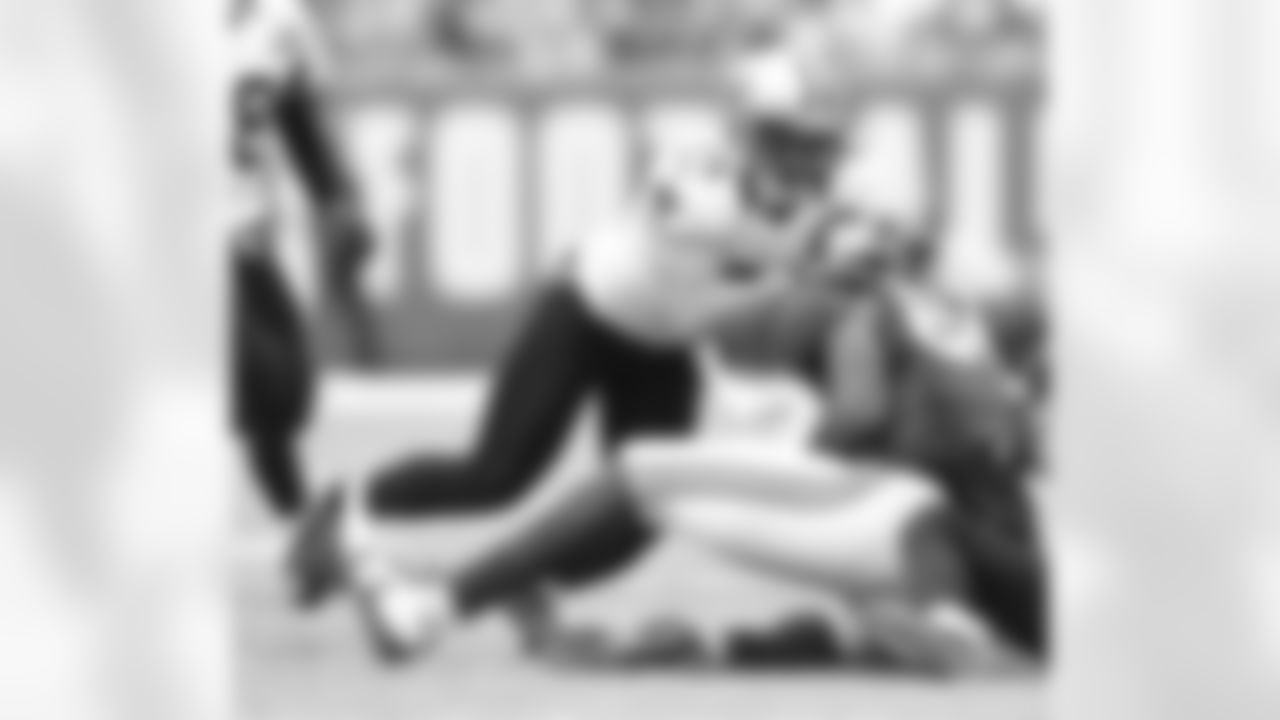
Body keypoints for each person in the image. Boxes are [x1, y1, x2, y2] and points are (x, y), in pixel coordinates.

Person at [287, 37, 858, 639]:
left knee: (647, 508)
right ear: (758, 133)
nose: (816, 160)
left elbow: (780, 283)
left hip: (660, 349)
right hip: (586, 312)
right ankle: (344, 508)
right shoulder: (696, 177)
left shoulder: (808, 211)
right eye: (801, 142)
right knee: (496, 473)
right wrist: (812, 267)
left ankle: (522, 580)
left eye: (823, 143)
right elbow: (706, 274)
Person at [325, 215, 1049, 671]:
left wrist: (805, 450)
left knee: (642, 469)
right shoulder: (969, 331)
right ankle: (920, 623)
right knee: (835, 574)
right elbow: (1014, 451)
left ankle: (424, 612)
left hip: (917, 524)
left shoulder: (867, 310)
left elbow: (857, 413)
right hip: (986, 563)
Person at [231, 0, 376, 519]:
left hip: (243, 229)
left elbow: (297, 117)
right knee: (263, 379)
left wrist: (336, 198)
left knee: (286, 390)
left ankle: (299, 524)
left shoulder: (280, 22)